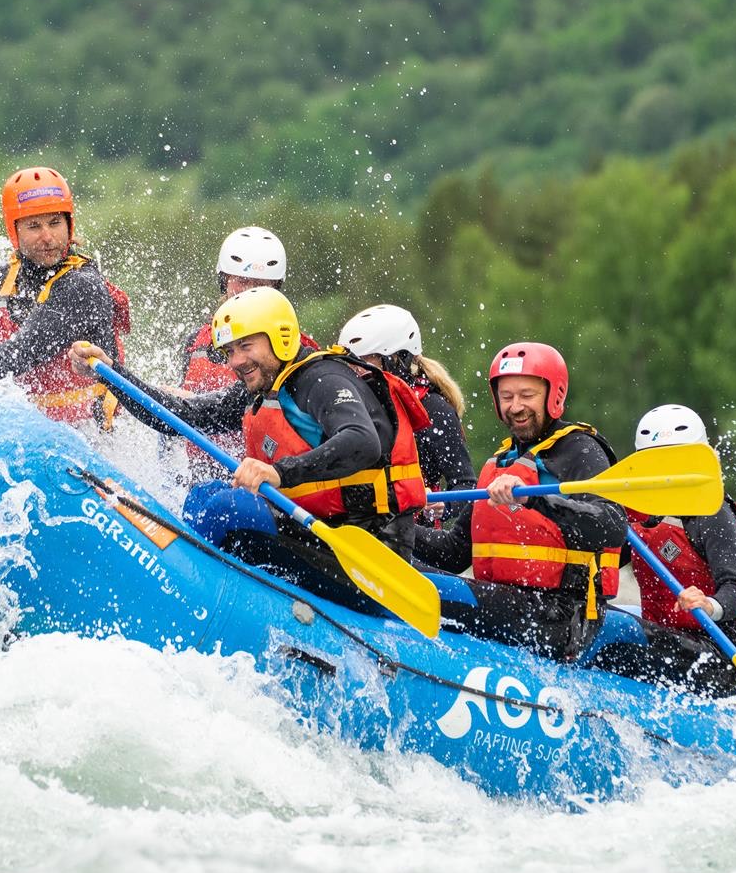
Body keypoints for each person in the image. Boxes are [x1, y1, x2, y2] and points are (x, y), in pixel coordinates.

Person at [68, 287, 431, 606]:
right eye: (229, 351)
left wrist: (278, 472)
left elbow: (362, 441)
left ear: (281, 337)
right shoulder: (262, 388)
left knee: (230, 507)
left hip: (369, 546)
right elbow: (177, 415)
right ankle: (185, 581)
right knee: (203, 495)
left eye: (245, 346)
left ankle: (193, 590)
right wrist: (111, 373)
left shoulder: (322, 378)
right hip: (318, 532)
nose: (236, 361)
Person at [412, 342, 626, 660]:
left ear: (554, 396)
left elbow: (613, 527)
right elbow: (455, 554)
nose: (516, 407)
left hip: (560, 615)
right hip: (512, 602)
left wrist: (537, 501)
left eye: (527, 395)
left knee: (427, 591)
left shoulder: (580, 450)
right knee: (408, 569)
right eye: (507, 397)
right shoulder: (501, 462)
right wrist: (395, 527)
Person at [584, 405, 736, 694]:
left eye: (676, 460)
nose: (667, 472)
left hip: (716, 656)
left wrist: (708, 604)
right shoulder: (644, 515)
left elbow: (735, 592)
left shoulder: (714, 516)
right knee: (594, 620)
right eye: (657, 462)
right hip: (664, 636)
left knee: (613, 642)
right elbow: (604, 565)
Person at [0, 166, 131, 427]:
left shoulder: (82, 287)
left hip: (89, 440)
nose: (48, 237)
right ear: (14, 231)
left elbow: (21, 353)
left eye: (55, 223)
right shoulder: (2, 280)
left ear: (69, 224)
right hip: (27, 434)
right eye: (33, 226)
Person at [175, 227, 316, 474]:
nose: (249, 290)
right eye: (241, 281)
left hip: (265, 480)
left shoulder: (297, 348)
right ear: (224, 283)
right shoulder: (195, 342)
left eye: (260, 284)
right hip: (199, 472)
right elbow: (187, 411)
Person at [333, 304, 478, 528]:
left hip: (411, 534)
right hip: (359, 525)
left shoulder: (434, 409)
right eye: (351, 363)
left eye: (363, 363)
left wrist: (443, 506)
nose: (355, 372)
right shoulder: (349, 403)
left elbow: (466, 486)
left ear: (397, 359)